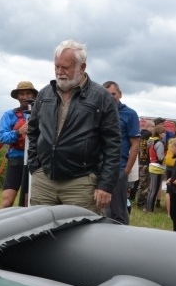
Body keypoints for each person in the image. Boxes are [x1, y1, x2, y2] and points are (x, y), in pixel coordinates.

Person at [26, 40, 121, 214]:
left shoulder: (102, 97)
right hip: (44, 181)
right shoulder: (45, 94)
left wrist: (105, 185)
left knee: (81, 230)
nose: (59, 72)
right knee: (40, 229)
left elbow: (113, 144)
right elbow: (32, 131)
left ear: (82, 67)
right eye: (56, 67)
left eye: (65, 67)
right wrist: (35, 167)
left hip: (81, 184)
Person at [102, 81, 140, 224]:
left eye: (113, 94)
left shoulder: (129, 114)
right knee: (103, 209)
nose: (110, 97)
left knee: (118, 212)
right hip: (99, 167)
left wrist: (126, 171)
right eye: (107, 94)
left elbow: (135, 145)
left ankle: (123, 235)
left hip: (118, 168)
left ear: (120, 94)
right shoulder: (99, 112)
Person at [0, 81, 38, 209]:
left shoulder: (41, 114)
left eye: (28, 93)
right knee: (7, 201)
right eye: (22, 94)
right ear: (17, 97)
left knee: (28, 202)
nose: (25, 97)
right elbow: (2, 136)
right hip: (16, 160)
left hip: (35, 160)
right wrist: (18, 132)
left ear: (34, 95)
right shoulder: (9, 115)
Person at [146, 125, 167, 212]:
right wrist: (167, 157)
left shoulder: (151, 141)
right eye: (163, 133)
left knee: (151, 189)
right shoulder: (159, 143)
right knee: (154, 190)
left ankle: (148, 207)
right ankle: (150, 210)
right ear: (159, 133)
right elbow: (161, 158)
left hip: (152, 166)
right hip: (157, 168)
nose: (165, 134)